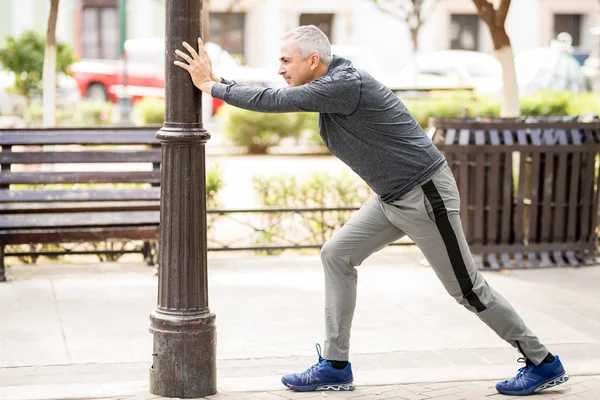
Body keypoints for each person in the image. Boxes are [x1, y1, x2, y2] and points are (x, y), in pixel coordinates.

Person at [174, 25, 569, 396]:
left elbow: (275, 101)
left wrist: (212, 86)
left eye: (286, 61)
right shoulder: (330, 84)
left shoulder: (344, 85)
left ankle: (542, 362)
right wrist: (218, 84)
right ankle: (335, 364)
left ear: (313, 61)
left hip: (424, 194)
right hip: (391, 198)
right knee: (337, 254)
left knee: (467, 289)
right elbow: (276, 94)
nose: (279, 69)